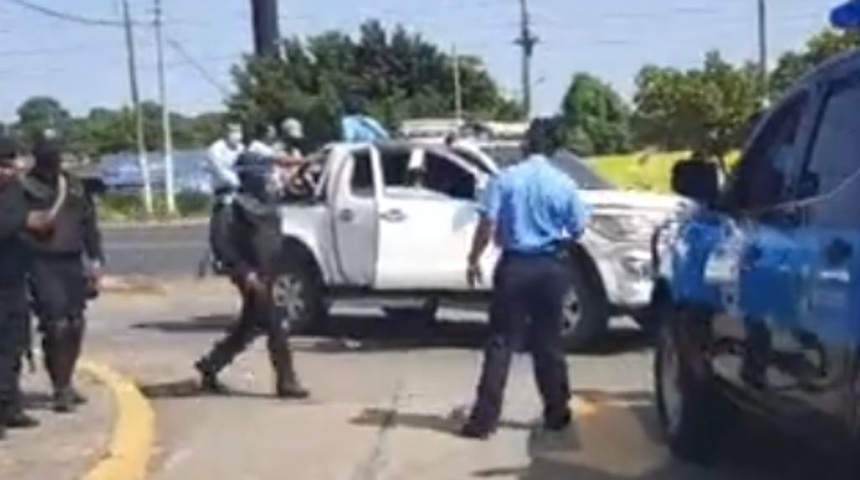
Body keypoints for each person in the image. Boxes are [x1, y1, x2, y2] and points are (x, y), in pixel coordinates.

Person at [459, 118, 591, 439]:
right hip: (551, 267)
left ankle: (484, 421)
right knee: (548, 342)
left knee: (502, 342)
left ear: (525, 145)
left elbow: (487, 224)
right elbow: (578, 228)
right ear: (554, 150)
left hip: (515, 266)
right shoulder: (564, 183)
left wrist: (474, 258)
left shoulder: (504, 180)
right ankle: (557, 412)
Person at [194, 152, 310, 399]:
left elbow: (299, 189)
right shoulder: (231, 207)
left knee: (249, 326)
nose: (269, 178)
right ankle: (287, 382)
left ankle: (211, 365)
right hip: (251, 275)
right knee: (276, 325)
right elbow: (222, 243)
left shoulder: (267, 200)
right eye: (264, 173)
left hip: (269, 271)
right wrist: (244, 272)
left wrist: (302, 166)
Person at [21, 138, 104, 413]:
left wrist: (95, 259)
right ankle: (60, 387)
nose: (54, 159)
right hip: (39, 262)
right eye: (48, 154)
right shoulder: (22, 188)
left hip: (72, 261)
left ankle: (67, 378)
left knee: (76, 323)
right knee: (55, 325)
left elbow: (89, 223)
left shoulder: (74, 185)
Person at [0, 137, 43, 438]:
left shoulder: (16, 189)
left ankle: (10, 407)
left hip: (13, 280)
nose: (8, 170)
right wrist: (23, 221)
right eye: (2, 165)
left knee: (14, 347)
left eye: (10, 163)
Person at [205, 124, 246, 269]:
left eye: (238, 131)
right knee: (222, 225)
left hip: (243, 191)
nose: (236, 135)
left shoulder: (241, 148)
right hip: (224, 191)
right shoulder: (216, 150)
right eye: (232, 132)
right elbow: (221, 171)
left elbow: (246, 165)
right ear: (225, 133)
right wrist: (238, 182)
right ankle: (220, 258)